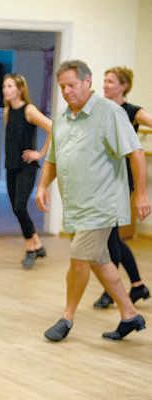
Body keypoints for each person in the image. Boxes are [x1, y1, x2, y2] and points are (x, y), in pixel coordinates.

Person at [36, 60, 150, 342]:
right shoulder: (63, 118)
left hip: (103, 204)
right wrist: (42, 186)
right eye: (62, 86)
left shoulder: (110, 112)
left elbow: (135, 153)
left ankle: (67, 318)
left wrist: (141, 194)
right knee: (100, 260)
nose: (66, 91)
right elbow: (53, 158)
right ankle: (130, 314)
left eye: (71, 85)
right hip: (77, 205)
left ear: (87, 82)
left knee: (79, 258)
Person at [92, 66, 152, 308]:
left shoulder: (132, 111)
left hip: (119, 180)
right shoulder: (101, 109)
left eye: (111, 81)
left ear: (123, 86)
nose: (105, 85)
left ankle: (111, 290)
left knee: (109, 237)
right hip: (101, 178)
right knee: (112, 236)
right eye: (105, 80)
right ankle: (137, 285)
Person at [1, 74, 52, 269]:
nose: (6, 90)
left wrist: (39, 154)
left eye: (10, 86)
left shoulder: (29, 110)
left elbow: (52, 128)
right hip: (11, 165)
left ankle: (31, 249)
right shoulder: (7, 111)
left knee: (20, 206)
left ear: (20, 89)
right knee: (16, 208)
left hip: (26, 167)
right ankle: (38, 244)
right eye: (4, 86)